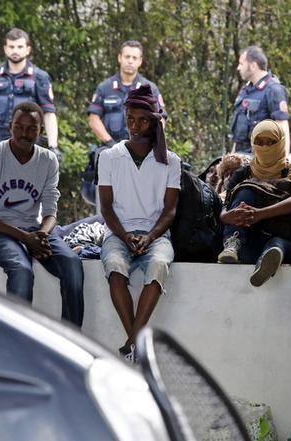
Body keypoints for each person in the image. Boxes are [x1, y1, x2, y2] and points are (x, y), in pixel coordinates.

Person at [0, 102, 83, 326]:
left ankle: (71, 338)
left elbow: (51, 212)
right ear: (10, 127)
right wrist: (26, 239)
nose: (25, 133)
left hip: (33, 230)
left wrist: (40, 235)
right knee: (22, 270)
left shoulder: (48, 160)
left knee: (72, 263)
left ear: (40, 130)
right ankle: (16, 342)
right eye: (19, 127)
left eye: (32, 128)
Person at [98, 84, 181, 361]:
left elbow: (169, 212)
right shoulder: (109, 157)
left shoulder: (170, 162)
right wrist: (124, 237)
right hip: (118, 233)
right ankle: (136, 344)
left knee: (158, 265)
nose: (135, 125)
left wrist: (150, 237)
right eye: (130, 118)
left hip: (157, 235)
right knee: (115, 268)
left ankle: (131, 343)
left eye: (143, 120)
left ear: (154, 122)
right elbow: (106, 208)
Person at [217, 120, 291, 287]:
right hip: (248, 243)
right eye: (260, 142)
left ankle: (265, 262)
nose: (265, 147)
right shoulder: (243, 173)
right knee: (245, 191)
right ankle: (233, 242)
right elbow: (225, 205)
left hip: (286, 240)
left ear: (281, 143)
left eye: (271, 142)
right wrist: (227, 216)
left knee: (277, 246)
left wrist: (259, 214)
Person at [84, 40, 167, 207]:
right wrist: (110, 144)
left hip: (141, 147)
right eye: (127, 56)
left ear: (140, 61)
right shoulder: (105, 87)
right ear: (119, 58)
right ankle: (104, 220)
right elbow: (93, 119)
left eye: (134, 57)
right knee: (102, 159)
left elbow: (161, 120)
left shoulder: (149, 88)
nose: (130, 61)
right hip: (110, 146)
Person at [0, 28, 59, 158]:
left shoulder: (40, 77)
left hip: (28, 143)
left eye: (20, 47)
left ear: (28, 49)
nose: (15, 50)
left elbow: (49, 114)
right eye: (11, 46)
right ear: (5, 48)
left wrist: (53, 146)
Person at [230, 46, 291, 156]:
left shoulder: (273, 90)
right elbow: (238, 138)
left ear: (253, 66)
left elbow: (282, 130)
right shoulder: (245, 91)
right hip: (241, 160)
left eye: (241, 64)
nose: (238, 68)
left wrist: (282, 166)